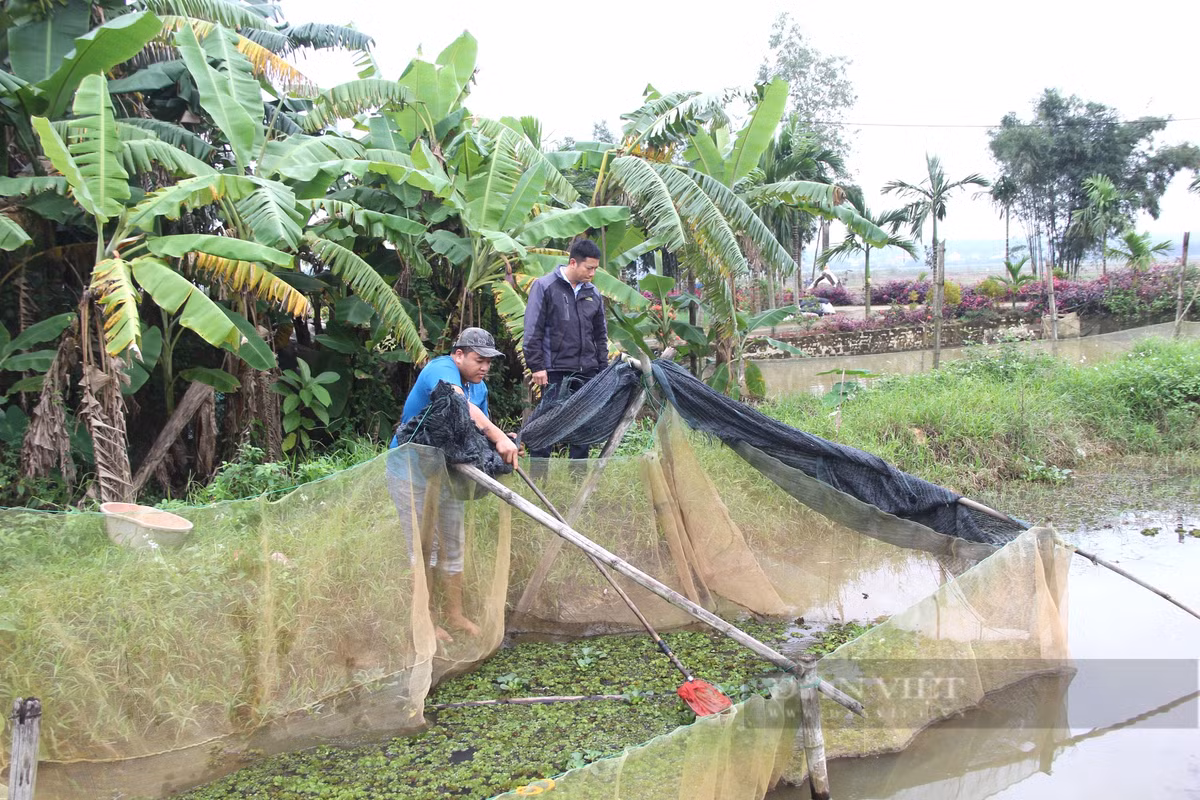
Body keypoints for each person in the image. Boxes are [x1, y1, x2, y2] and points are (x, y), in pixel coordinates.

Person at [387, 327, 518, 642]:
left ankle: (454, 615)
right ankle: (426, 620)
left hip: (449, 475)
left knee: (453, 545)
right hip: (411, 473)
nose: (484, 367)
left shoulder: (480, 388)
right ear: (459, 354)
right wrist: (499, 435)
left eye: (489, 361)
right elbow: (461, 409)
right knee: (423, 549)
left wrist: (505, 443)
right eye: (478, 359)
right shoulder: (441, 369)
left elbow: (477, 431)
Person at [522, 238, 608, 460]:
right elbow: (533, 330)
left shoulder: (593, 293)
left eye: (595, 269)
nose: (592, 273)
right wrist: (537, 366)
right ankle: (539, 477)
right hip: (554, 370)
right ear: (573, 263)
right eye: (589, 268)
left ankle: (577, 478)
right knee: (548, 423)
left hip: (587, 371)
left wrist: (603, 369)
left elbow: (600, 335)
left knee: (583, 425)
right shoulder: (544, 286)